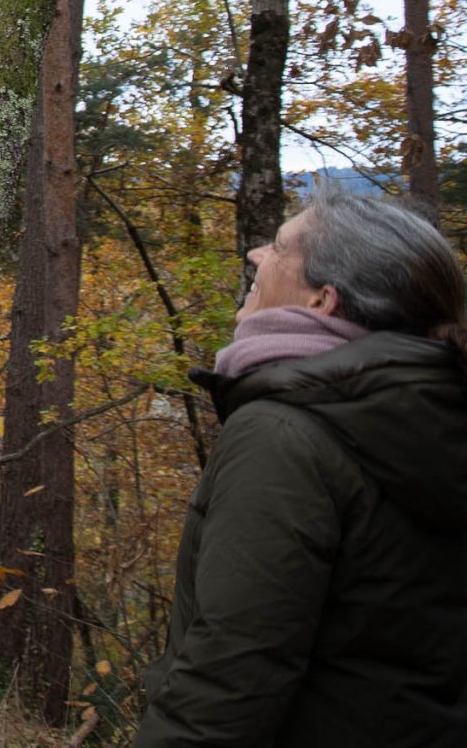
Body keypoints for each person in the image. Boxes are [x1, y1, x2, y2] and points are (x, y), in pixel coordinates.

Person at [134, 189, 467, 747]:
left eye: (281, 248)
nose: (256, 255)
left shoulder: (285, 434)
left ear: (322, 301)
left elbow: (231, 676)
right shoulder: (431, 411)